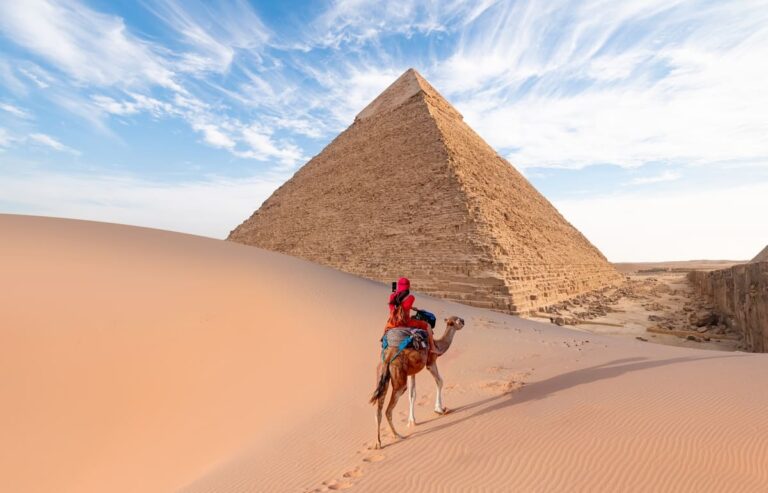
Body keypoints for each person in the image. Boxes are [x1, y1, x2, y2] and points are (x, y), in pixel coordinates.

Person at [386, 277, 441, 355]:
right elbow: (405, 306)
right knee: (427, 326)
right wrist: (412, 308)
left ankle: (383, 345)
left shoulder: (392, 297)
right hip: (405, 323)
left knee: (386, 331)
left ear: (398, 286)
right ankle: (433, 348)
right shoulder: (411, 298)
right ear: (408, 287)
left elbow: (398, 307)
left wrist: (395, 294)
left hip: (393, 323)